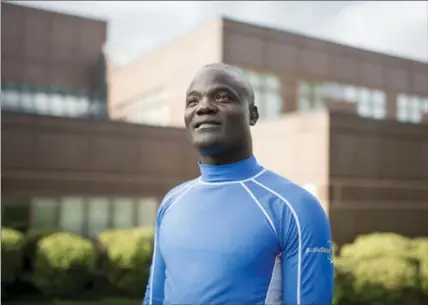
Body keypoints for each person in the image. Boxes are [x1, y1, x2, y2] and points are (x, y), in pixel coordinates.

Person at [143, 63, 334, 305]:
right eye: (193, 101)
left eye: (222, 97)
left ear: (252, 115)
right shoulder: (171, 202)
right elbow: (153, 298)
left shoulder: (296, 208)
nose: (203, 107)